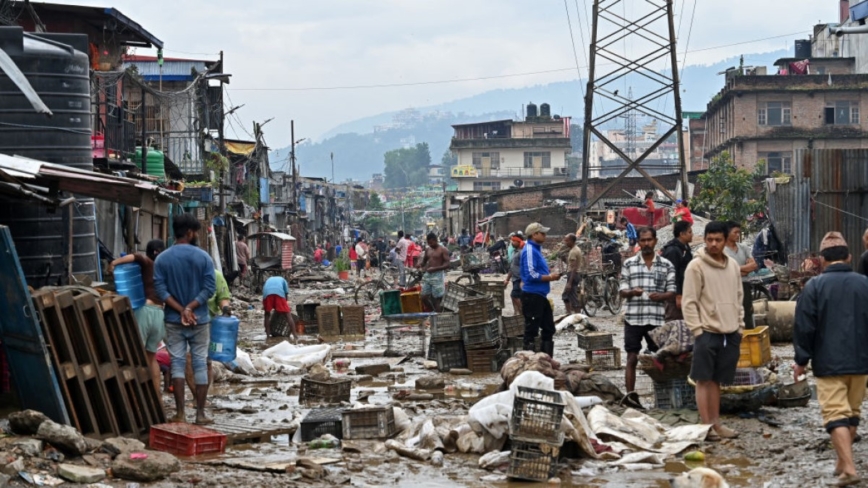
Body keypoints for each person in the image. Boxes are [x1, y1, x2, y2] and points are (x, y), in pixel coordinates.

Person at [794, 232, 868, 487]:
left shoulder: (814, 287)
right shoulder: (865, 284)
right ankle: (841, 461)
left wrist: (801, 360)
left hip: (829, 363)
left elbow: (804, 327)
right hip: (861, 363)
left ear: (822, 260)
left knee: (835, 413)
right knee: (853, 411)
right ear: (849, 257)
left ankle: (848, 468)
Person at [682, 221, 744, 442]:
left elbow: (739, 298)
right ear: (705, 239)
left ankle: (716, 423)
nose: (714, 244)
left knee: (717, 380)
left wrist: (740, 327)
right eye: (710, 240)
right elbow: (689, 302)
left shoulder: (733, 266)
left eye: (718, 240)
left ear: (726, 240)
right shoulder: (695, 266)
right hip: (706, 331)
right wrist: (698, 330)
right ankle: (705, 426)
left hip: (730, 332)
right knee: (703, 379)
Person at [154, 213, 216, 425]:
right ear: (189, 233)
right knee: (200, 364)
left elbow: (160, 290)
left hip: (173, 320)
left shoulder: (162, 258)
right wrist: (190, 307)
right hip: (200, 319)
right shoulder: (204, 257)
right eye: (196, 231)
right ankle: (200, 414)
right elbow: (210, 288)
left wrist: (181, 309)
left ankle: (180, 413)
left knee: (177, 365)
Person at [619, 227, 676, 394]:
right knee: (631, 358)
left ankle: (663, 395)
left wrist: (661, 296)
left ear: (655, 241)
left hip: (657, 319)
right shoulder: (629, 264)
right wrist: (632, 292)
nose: (646, 243)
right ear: (638, 242)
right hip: (634, 318)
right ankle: (630, 395)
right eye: (643, 240)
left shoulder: (666, 265)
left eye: (649, 240)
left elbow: (672, 292)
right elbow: (622, 291)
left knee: (659, 358)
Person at [109, 239, 166, 398]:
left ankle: (134, 396)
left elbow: (134, 257)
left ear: (153, 252)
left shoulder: (148, 262)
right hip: (160, 314)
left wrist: (114, 263)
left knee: (134, 354)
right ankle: (156, 396)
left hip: (145, 311)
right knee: (151, 357)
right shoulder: (165, 269)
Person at [520, 223, 561, 357]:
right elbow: (531, 274)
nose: (545, 235)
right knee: (531, 331)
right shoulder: (530, 250)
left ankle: (546, 360)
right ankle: (529, 361)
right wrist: (550, 277)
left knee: (549, 328)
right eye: (542, 233)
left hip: (540, 295)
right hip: (532, 295)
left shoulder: (536, 250)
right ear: (534, 235)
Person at [724, 221, 757, 329]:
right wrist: (744, 269)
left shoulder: (743, 248)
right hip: (729, 286)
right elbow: (725, 270)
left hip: (744, 284)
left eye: (739, 232)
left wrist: (735, 269)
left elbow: (753, 265)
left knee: (747, 311)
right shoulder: (722, 250)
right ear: (727, 233)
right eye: (735, 232)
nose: (738, 235)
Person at [661, 220, 694, 321]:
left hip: (684, 290)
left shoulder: (684, 249)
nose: (692, 235)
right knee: (674, 321)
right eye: (690, 232)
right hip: (674, 295)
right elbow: (672, 275)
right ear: (682, 234)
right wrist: (678, 295)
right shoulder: (673, 251)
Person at [419, 232, 451, 312]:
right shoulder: (428, 249)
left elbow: (447, 264)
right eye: (428, 243)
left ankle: (438, 315)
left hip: (438, 275)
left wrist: (435, 268)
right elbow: (424, 261)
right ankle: (433, 311)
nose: (430, 245)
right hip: (428, 275)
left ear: (435, 240)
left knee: (437, 298)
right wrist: (420, 265)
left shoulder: (443, 249)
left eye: (431, 243)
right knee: (423, 297)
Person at [262, 275, 297, 341]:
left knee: (267, 314)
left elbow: (264, 291)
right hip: (279, 293)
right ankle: (295, 336)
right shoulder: (284, 281)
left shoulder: (269, 279)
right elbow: (286, 295)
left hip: (267, 294)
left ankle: (268, 336)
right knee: (288, 314)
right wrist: (285, 307)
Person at [562, 234, 584, 314]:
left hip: (573, 275)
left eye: (567, 241)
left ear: (572, 241)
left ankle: (576, 315)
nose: (565, 242)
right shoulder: (576, 249)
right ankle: (570, 314)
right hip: (574, 274)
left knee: (571, 296)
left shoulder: (573, 251)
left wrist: (569, 283)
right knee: (567, 296)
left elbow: (574, 267)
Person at [503, 233, 525, 316]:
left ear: (519, 241)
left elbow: (525, 266)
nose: (512, 242)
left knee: (514, 295)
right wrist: (507, 279)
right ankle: (517, 312)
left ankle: (523, 313)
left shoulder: (522, 252)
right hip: (515, 278)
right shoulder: (514, 252)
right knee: (515, 296)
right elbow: (512, 267)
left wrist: (523, 280)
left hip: (520, 278)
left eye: (513, 241)